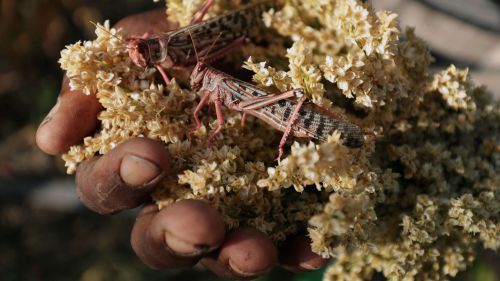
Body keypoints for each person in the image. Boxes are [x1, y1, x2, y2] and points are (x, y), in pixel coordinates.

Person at [35, 9, 328, 279]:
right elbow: (207, 112)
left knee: (270, 105)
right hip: (237, 92)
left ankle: (313, 124)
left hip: (252, 88)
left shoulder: (194, 69)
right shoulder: (164, 62)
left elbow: (219, 120)